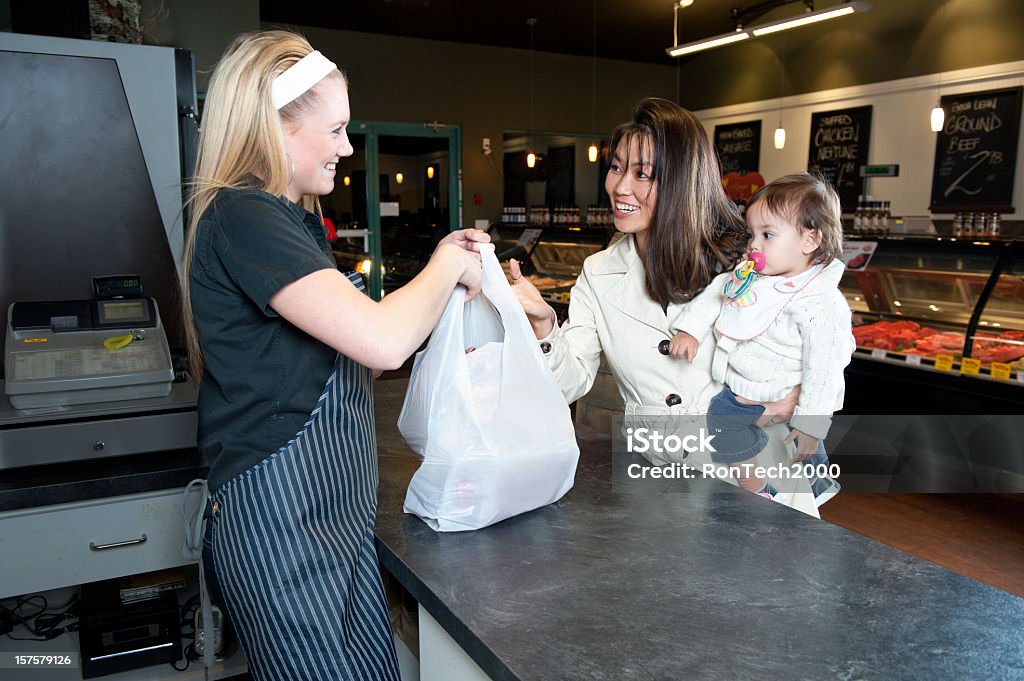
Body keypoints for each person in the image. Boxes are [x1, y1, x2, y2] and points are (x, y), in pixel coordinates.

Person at [180, 30, 487, 680]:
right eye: (338, 128)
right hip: (281, 526)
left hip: (333, 520)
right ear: (275, 125)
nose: (349, 148)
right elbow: (381, 339)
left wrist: (455, 301)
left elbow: (361, 359)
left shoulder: (289, 225)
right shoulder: (242, 216)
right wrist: (444, 263)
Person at [508, 98, 800, 484]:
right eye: (616, 168)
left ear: (681, 180)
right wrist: (545, 326)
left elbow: (812, 334)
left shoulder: (744, 259)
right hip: (661, 477)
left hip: (756, 470)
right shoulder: (599, 274)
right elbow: (569, 383)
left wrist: (794, 393)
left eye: (642, 174)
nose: (619, 187)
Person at [667, 173, 855, 506]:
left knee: (802, 441)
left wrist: (811, 420)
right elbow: (717, 294)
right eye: (753, 233)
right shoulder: (751, 278)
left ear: (810, 241)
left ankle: (817, 479)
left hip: (787, 387)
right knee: (723, 424)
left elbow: (824, 369)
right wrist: (690, 329)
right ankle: (757, 489)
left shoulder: (819, 301)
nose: (754, 244)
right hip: (744, 388)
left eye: (767, 235)